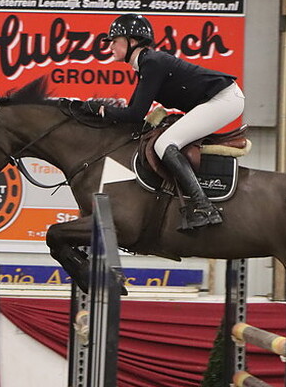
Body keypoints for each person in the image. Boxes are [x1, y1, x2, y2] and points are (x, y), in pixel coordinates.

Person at [87, 13, 245, 231]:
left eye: (114, 40)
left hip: (225, 99)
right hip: (219, 99)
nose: (110, 46)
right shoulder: (146, 64)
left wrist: (101, 110)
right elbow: (134, 116)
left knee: (164, 144)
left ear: (132, 41)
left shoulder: (152, 63)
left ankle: (204, 207)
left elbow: (134, 114)